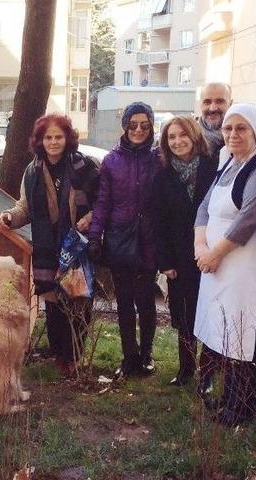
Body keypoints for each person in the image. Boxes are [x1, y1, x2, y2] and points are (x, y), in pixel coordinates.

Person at [193, 104, 256, 426]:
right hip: (217, 264)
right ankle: (229, 397)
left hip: (246, 266)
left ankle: (242, 405)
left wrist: (215, 254)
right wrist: (200, 246)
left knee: (242, 335)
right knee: (223, 332)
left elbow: (249, 219)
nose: (233, 134)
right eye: (229, 129)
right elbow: (204, 208)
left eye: (241, 128)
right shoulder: (228, 164)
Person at [0, 113, 100, 376]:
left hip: (76, 247)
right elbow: (24, 207)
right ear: (40, 141)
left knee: (77, 300)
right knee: (53, 302)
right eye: (48, 138)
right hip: (46, 248)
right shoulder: (32, 171)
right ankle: (59, 354)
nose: (53, 142)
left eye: (58, 137)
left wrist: (90, 217)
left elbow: (102, 204)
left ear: (67, 139)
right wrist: (10, 217)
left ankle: (74, 356)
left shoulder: (85, 167)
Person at [88, 102, 161, 379]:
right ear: (125, 126)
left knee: (146, 300)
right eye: (133, 124)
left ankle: (146, 355)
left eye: (144, 124)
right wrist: (95, 236)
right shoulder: (111, 161)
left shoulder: (158, 158)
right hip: (119, 239)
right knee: (124, 301)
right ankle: (129, 356)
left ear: (151, 126)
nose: (139, 129)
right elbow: (103, 202)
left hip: (148, 240)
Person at [153, 116, 218, 386]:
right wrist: (165, 261)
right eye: (171, 137)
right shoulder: (163, 175)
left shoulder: (213, 167)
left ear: (194, 136)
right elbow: (159, 221)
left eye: (183, 135)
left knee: (212, 314)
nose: (178, 141)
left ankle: (210, 372)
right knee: (184, 314)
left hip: (212, 251)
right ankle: (186, 368)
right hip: (179, 255)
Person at [198, 83, 233, 158]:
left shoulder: (241, 139)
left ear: (230, 104)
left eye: (219, 101)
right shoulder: (187, 137)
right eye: (207, 102)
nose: (212, 108)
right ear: (200, 105)